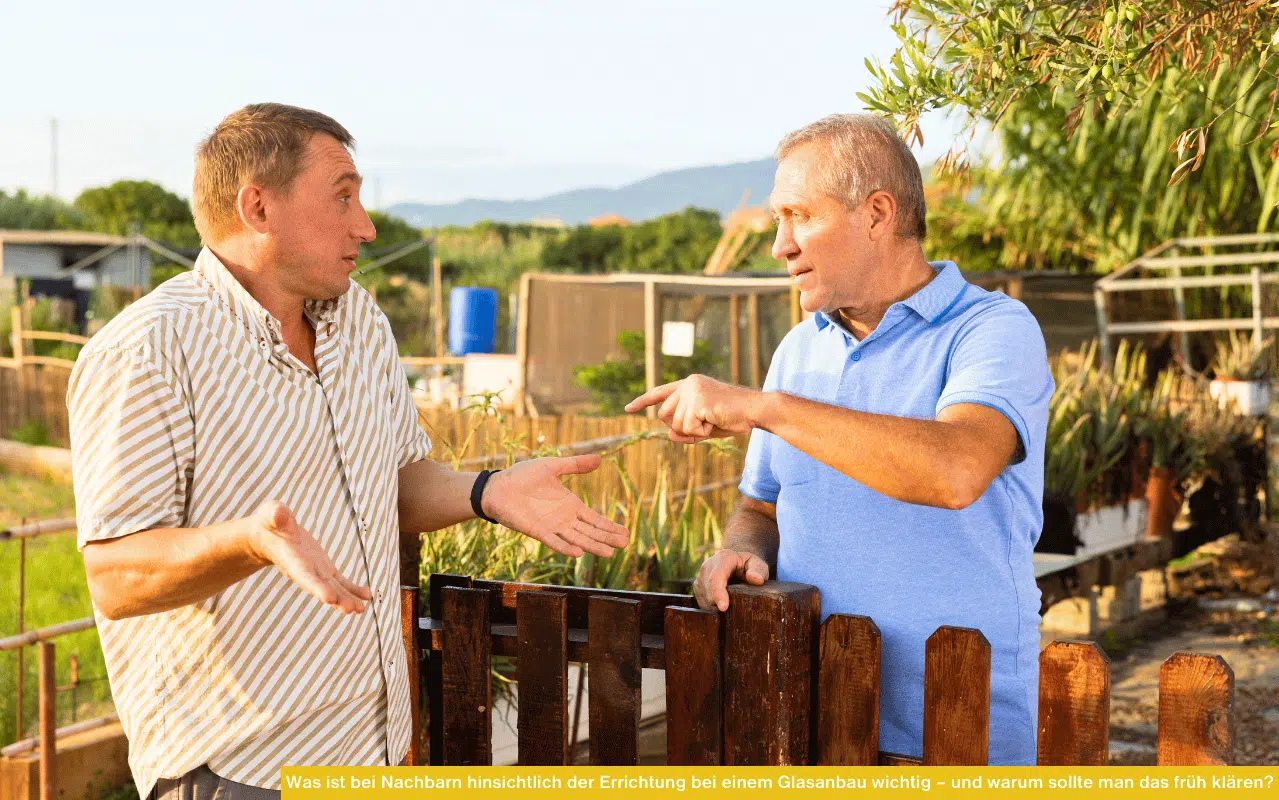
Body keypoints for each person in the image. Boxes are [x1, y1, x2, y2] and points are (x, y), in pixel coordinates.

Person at [67, 103, 629, 799]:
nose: (364, 224)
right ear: (258, 207)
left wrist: (487, 492)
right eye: (342, 196)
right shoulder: (149, 349)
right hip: (240, 771)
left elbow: (394, 482)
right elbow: (115, 579)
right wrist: (250, 542)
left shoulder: (359, 319)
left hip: (374, 752)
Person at [626, 113, 1052, 765]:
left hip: (954, 729)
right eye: (777, 219)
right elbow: (760, 507)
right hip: (811, 720)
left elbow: (956, 469)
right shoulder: (799, 349)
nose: (779, 244)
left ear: (877, 213)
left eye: (798, 215)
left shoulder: (992, 330)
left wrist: (764, 407)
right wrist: (738, 553)